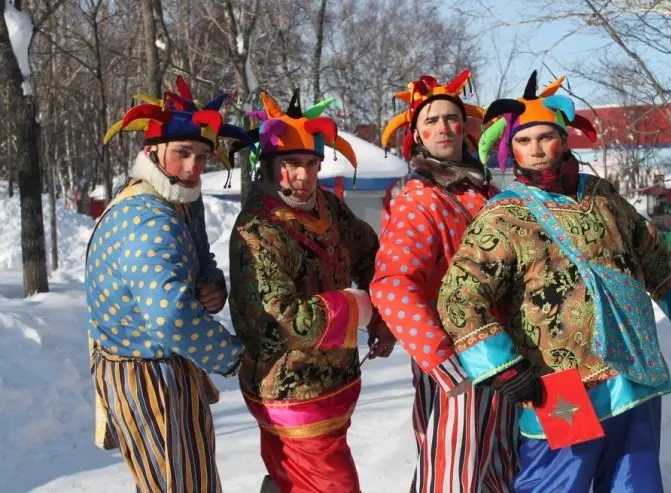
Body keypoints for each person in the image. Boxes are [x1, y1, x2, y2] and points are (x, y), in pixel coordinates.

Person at [437, 71, 671, 492]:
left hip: (632, 364)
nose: (536, 150)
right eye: (524, 142)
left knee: (634, 479)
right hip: (558, 380)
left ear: (563, 139)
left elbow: (649, 249)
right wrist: (501, 367)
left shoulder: (601, 194)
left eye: (545, 137)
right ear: (512, 151)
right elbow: (460, 296)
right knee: (558, 481)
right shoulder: (503, 215)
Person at [86, 76, 251, 492]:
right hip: (149, 377)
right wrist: (232, 355)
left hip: (163, 369)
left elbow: (196, 259)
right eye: (183, 153)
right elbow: (172, 316)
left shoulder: (174, 197)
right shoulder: (149, 217)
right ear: (152, 151)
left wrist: (211, 283)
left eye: (202, 155)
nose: (194, 166)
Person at [228, 89, 395, 493]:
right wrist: (358, 307)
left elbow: (367, 251)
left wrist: (387, 313)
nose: (303, 177)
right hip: (291, 392)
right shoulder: (256, 232)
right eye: (290, 165)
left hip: (335, 382)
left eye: (310, 164)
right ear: (268, 167)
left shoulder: (326, 206)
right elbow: (276, 323)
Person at [371, 70, 519, 493]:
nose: (443, 128)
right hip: (461, 357)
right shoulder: (421, 199)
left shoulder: (486, 193)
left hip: (507, 354)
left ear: (466, 127)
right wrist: (440, 359)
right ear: (416, 135)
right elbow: (393, 283)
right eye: (431, 120)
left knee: (501, 466)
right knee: (456, 475)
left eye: (452, 118)